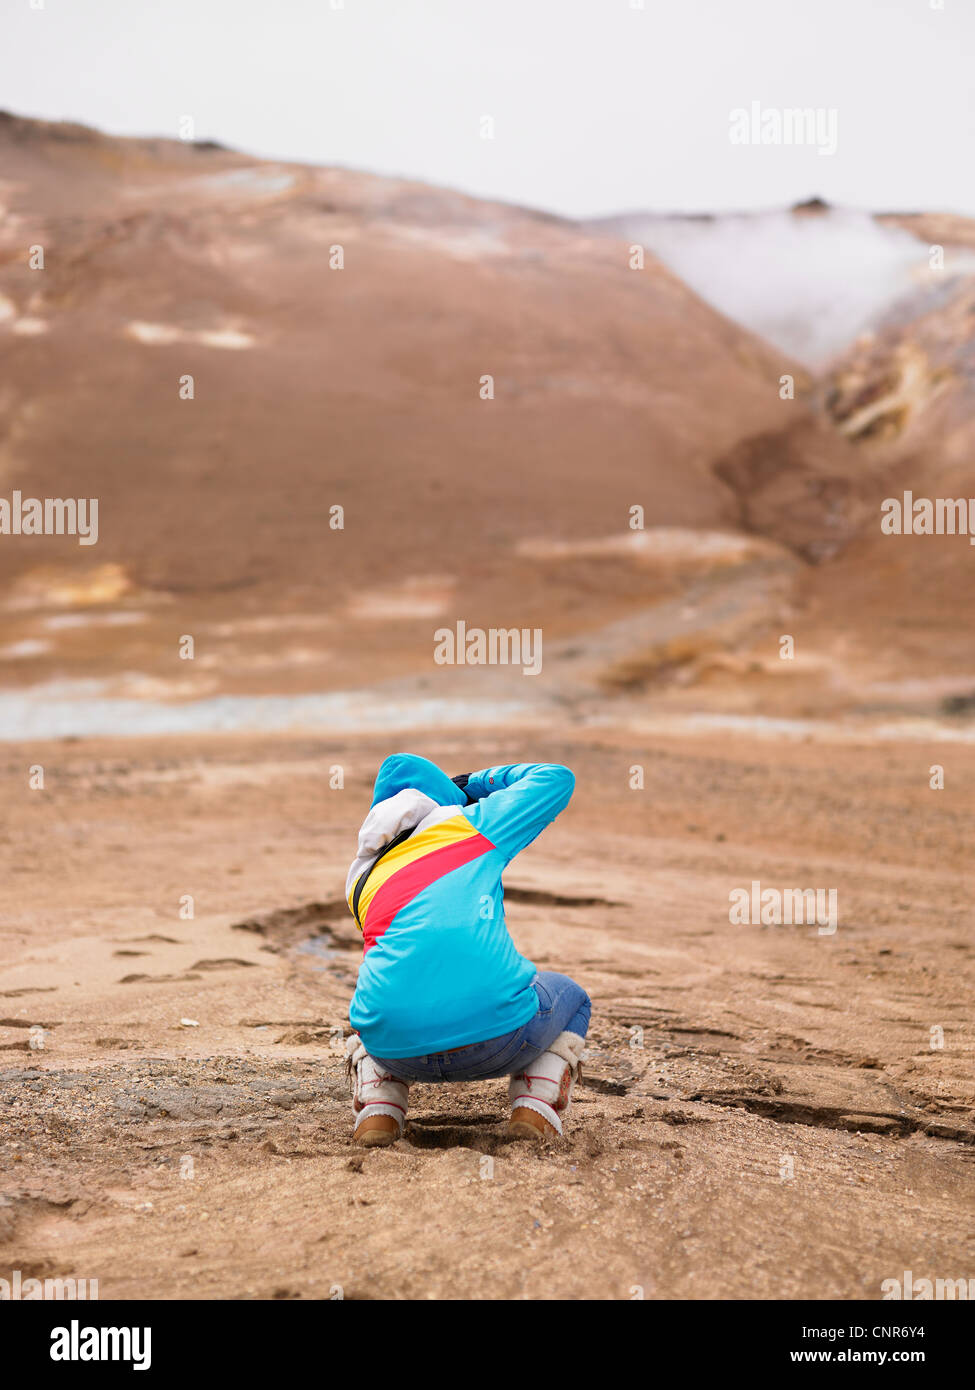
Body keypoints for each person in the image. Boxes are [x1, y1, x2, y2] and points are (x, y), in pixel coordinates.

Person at [344, 754, 590, 1146]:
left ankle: (380, 1109)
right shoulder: (471, 826)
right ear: (445, 803)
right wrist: (472, 785)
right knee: (572, 998)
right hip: (500, 1042)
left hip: (396, 1050)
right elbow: (556, 777)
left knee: (382, 996)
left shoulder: (362, 878)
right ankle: (535, 1105)